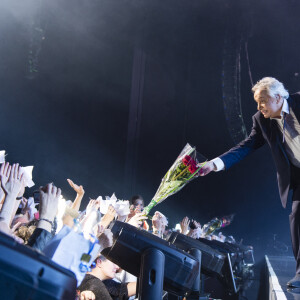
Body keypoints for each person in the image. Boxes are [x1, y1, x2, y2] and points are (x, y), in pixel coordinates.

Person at [199, 77, 300, 287]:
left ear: (278, 97)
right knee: (297, 218)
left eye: (262, 100)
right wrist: (214, 163)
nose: (259, 106)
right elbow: (246, 146)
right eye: (257, 102)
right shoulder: (262, 120)